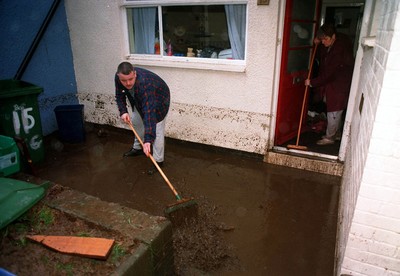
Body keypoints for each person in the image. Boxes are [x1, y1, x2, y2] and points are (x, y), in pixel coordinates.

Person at [115, 62, 170, 174]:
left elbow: (149, 113)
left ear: (135, 74)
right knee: (136, 120)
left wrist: (148, 140)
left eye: (130, 79)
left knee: (157, 129)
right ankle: (138, 148)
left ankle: (158, 161)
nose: (127, 83)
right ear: (118, 76)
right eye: (124, 81)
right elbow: (119, 95)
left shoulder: (145, 84)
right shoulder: (119, 78)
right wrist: (123, 111)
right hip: (139, 98)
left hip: (159, 99)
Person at [305, 23, 354, 145]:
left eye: (325, 39)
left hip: (339, 85)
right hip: (334, 84)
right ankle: (336, 133)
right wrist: (317, 40)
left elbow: (329, 74)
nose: (323, 42)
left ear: (333, 36)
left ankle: (329, 138)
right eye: (322, 40)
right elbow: (323, 52)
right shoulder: (335, 41)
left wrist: (311, 82)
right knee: (335, 110)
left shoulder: (338, 51)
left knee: (334, 111)